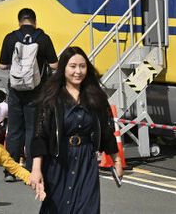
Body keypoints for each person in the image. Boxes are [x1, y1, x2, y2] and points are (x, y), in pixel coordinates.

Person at [28, 47, 120, 214]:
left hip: (87, 163)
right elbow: (40, 136)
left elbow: (106, 131)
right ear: (63, 68)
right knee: (57, 208)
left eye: (82, 66)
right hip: (58, 161)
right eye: (73, 66)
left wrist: (117, 160)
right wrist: (36, 169)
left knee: (87, 208)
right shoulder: (51, 98)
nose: (78, 71)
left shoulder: (96, 96)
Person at [0, 8, 58, 176]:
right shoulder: (43, 38)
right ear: (35, 21)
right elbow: (54, 65)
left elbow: (3, 65)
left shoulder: (10, 38)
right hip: (36, 89)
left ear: (19, 22)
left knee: (15, 129)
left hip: (16, 89)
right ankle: (32, 168)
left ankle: (11, 170)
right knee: (33, 129)